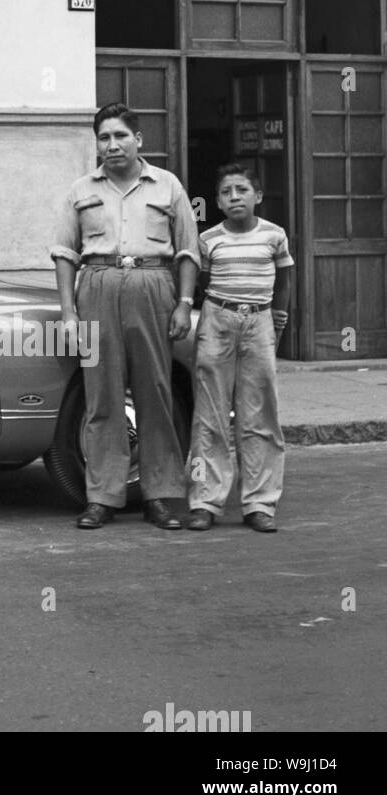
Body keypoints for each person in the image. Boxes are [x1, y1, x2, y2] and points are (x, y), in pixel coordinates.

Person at [51, 103, 199, 530]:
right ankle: (102, 497)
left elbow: (188, 251)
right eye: (104, 138)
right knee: (102, 396)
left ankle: (161, 496)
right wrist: (68, 313)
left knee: (155, 391)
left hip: (153, 286)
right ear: (96, 144)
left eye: (120, 136)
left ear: (139, 140)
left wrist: (184, 303)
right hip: (96, 286)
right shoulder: (81, 190)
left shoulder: (167, 186)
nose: (112, 145)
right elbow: (64, 254)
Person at [185, 164, 292, 533]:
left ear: (257, 196)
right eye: (226, 192)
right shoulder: (209, 239)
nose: (234, 197)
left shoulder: (274, 235)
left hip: (259, 322)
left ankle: (260, 503)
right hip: (218, 321)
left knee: (260, 416)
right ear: (217, 201)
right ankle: (204, 502)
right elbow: (200, 281)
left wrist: (278, 318)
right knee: (209, 416)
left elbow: (284, 279)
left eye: (242, 190)